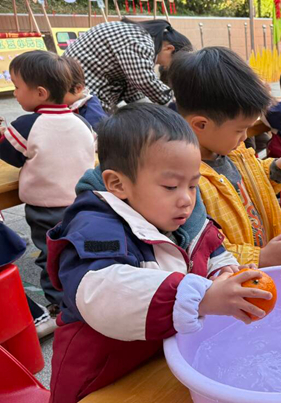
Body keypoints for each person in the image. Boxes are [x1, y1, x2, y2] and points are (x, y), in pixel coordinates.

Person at [46, 104, 274, 403]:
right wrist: (202, 297)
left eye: (193, 183)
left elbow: (212, 251)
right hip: (95, 384)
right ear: (118, 184)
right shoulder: (95, 229)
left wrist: (226, 273)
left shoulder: (183, 216)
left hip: (150, 365)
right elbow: (104, 294)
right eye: (171, 185)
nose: (186, 198)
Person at [168, 47, 281, 268]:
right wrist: (259, 257)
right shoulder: (187, 185)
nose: (245, 137)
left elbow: (249, 184)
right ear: (201, 125)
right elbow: (201, 250)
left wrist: (276, 169)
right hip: (236, 279)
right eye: (239, 130)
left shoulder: (233, 151)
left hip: (266, 269)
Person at [0, 50, 95, 317]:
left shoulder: (28, 125)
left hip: (45, 209)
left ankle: (59, 307)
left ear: (40, 93)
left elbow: (11, 155)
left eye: (17, 87)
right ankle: (86, 293)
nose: (15, 94)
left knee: (50, 254)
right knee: (77, 248)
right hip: (82, 202)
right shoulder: (82, 122)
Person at [65, 19, 191, 113]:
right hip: (80, 92)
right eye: (174, 63)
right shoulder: (141, 42)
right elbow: (144, 80)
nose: (167, 67)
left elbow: (134, 91)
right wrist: (174, 104)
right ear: (169, 48)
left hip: (79, 86)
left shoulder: (138, 35)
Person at [62, 55, 107, 129]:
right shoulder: (70, 103)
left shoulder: (91, 110)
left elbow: (99, 132)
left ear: (78, 88)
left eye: (59, 92)